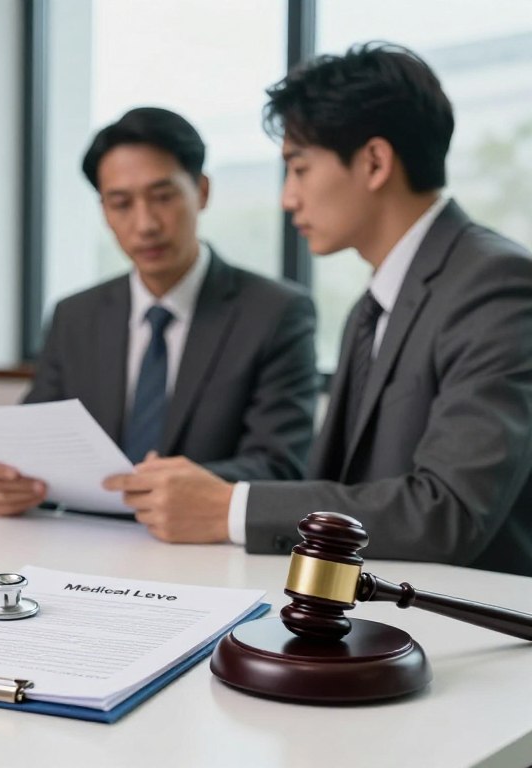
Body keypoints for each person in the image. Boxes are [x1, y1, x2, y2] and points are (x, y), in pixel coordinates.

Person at [105, 44, 532, 576]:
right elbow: (342, 484)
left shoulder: (495, 283)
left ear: (375, 162)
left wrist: (229, 508)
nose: (288, 198)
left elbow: (449, 511)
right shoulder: (373, 304)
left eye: (299, 169)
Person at [0, 107, 318, 518]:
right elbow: (34, 443)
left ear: (202, 191)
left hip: (204, 551)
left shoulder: (275, 313)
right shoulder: (75, 316)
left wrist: (167, 490)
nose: (145, 224)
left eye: (163, 197)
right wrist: (3, 476)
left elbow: (280, 465)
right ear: (103, 210)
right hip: (81, 541)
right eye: (121, 203)